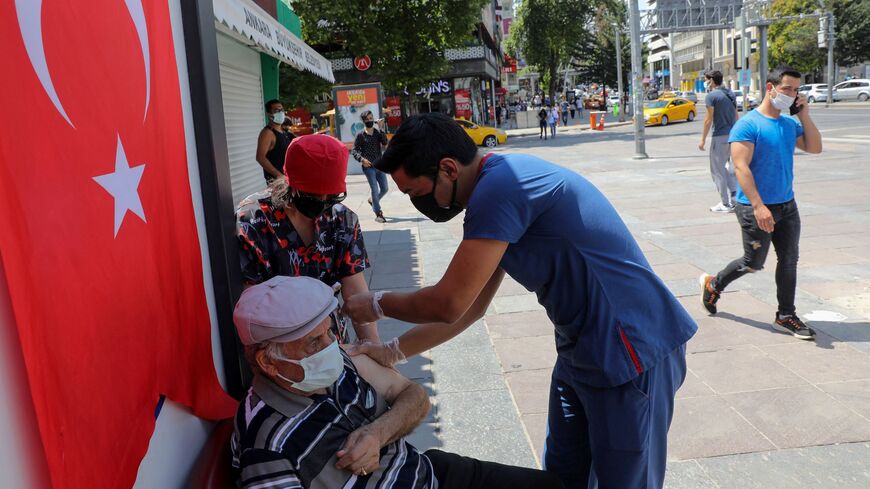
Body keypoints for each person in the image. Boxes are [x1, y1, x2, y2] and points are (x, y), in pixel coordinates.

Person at [341, 113, 697, 489]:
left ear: (447, 169)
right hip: (582, 350)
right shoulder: (493, 188)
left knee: (624, 481)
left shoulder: (501, 188)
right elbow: (471, 307)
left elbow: (448, 302)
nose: (417, 203)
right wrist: (393, 350)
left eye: (415, 192)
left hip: (630, 349)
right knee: (562, 478)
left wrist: (375, 303)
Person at [231, 275, 566, 489]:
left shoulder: (342, 362)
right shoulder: (267, 445)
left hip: (429, 472)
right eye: (313, 343)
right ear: (267, 361)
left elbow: (414, 395)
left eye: (330, 331)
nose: (332, 346)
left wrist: (378, 433)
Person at [700, 66, 823, 339]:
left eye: (796, 90)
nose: (792, 95)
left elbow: (815, 147)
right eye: (787, 89)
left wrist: (804, 114)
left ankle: (785, 315)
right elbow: (741, 167)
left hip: (787, 205)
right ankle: (714, 285)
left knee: (789, 260)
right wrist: (758, 206)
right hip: (754, 207)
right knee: (753, 262)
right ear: (770, 88)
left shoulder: (790, 124)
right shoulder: (748, 124)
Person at [236, 134, 380, 343]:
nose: (322, 203)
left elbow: (355, 293)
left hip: (329, 339)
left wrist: (375, 348)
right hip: (277, 345)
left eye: (332, 197)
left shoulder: (342, 219)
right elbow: (250, 307)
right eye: (312, 196)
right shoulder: (254, 221)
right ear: (291, 182)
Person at [698, 70, 739, 213]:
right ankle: (734, 198)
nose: (705, 83)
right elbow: (736, 115)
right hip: (732, 135)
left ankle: (725, 203)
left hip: (719, 136)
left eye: (706, 80)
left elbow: (708, 119)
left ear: (711, 81)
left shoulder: (711, 96)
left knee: (717, 170)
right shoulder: (730, 93)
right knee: (726, 167)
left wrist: (702, 139)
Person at [352, 110, 389, 223]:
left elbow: (385, 142)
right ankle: (378, 213)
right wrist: (362, 159)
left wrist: (382, 128)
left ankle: (372, 201)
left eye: (371, 118)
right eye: (367, 119)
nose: (369, 120)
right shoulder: (360, 135)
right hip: (368, 168)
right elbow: (354, 151)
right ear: (363, 121)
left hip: (379, 165)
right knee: (374, 189)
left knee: (385, 188)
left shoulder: (377, 133)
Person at [256, 99, 295, 183]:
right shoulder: (267, 133)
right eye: (277, 110)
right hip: (278, 184)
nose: (281, 113)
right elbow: (260, 157)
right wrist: (279, 176)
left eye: (282, 110)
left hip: (289, 180)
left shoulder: (285, 132)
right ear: (270, 114)